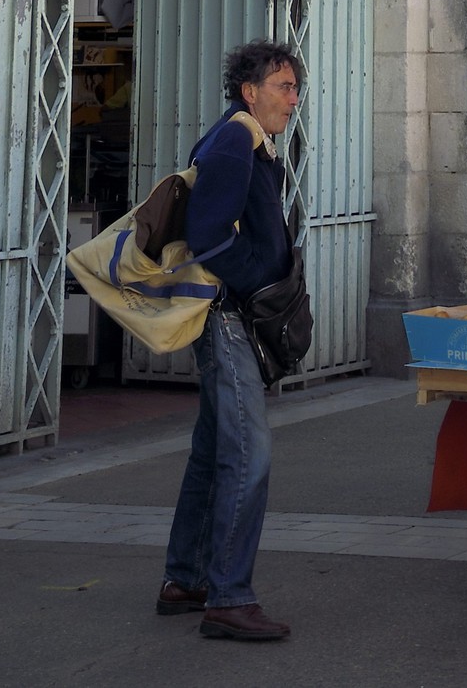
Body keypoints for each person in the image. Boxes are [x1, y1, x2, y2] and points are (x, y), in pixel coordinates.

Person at [158, 40, 303, 642]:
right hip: (227, 317)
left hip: (229, 313)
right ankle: (229, 596)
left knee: (213, 447)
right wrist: (253, 286)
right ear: (250, 91)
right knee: (250, 454)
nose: (293, 101)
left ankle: (187, 579)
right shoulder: (234, 139)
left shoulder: (245, 138)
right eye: (283, 87)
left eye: (296, 88)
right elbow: (210, 234)